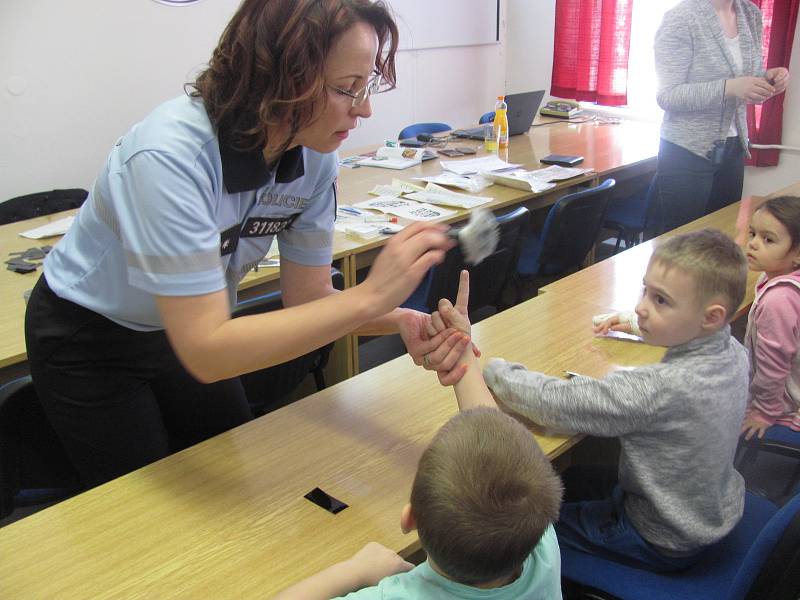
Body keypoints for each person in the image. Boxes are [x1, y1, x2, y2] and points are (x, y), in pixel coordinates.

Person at [24, 0, 470, 490]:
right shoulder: (170, 157)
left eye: (366, 88)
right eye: (348, 89)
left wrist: (399, 319)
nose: (364, 109)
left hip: (191, 327)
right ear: (281, 77)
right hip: (90, 336)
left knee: (231, 470)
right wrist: (370, 296)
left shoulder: (314, 158)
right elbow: (208, 353)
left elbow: (310, 298)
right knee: (144, 516)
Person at [436, 231, 750, 572]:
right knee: (573, 477)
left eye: (661, 301)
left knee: (515, 534)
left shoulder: (661, 389)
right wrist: (637, 324)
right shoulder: (733, 352)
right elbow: (635, 388)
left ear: (710, 317)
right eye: (646, 291)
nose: (641, 308)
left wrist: (495, 370)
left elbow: (561, 404)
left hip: (657, 534)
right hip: (707, 509)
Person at [274, 274, 564, 600]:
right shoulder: (539, 547)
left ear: (409, 517)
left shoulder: (397, 595)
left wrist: (354, 571)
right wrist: (461, 352)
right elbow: (493, 438)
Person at [651, 0, 790, 232]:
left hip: (732, 147)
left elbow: (745, 81)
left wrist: (768, 79)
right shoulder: (681, 18)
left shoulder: (750, 14)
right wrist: (730, 88)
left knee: (720, 237)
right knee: (684, 245)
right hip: (687, 151)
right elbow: (668, 96)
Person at [740, 196, 800, 440]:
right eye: (753, 234)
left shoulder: (778, 300)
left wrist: (764, 413)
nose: (753, 244)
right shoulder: (782, 279)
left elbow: (772, 368)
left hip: (787, 403)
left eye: (768, 239)